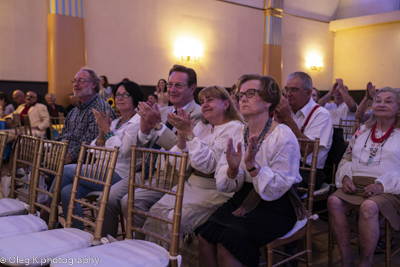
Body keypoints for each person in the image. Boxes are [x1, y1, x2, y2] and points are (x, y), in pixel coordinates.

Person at [196, 74, 302, 267]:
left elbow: (279, 187)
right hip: (243, 198)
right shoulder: (237, 131)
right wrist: (233, 169)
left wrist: (253, 167)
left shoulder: (283, 135)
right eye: (240, 95)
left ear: (269, 100)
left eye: (250, 93)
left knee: (228, 243)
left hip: (277, 205)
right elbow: (225, 182)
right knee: (205, 235)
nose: (242, 98)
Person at [142, 85, 244, 266]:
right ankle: (157, 262)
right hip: (190, 185)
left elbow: (209, 165)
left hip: (215, 190)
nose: (204, 104)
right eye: (202, 101)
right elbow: (180, 164)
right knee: (156, 212)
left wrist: (189, 134)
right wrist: (182, 134)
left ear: (226, 104)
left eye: (210, 100)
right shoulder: (202, 127)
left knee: (176, 220)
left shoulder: (234, 128)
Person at [101, 64, 202, 238]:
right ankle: (105, 243)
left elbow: (184, 152)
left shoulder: (198, 115)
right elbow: (140, 146)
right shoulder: (162, 111)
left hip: (171, 176)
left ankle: (143, 250)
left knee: (129, 202)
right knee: (108, 197)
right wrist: (144, 131)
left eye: (178, 85)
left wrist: (157, 125)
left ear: (192, 88)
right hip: (146, 170)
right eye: (170, 84)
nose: (172, 89)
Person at [48, 81, 144, 229]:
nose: (119, 98)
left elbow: (123, 152)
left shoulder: (137, 121)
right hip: (101, 170)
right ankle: (77, 233)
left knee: (66, 171)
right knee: (68, 191)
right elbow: (94, 149)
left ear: (135, 98)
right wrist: (101, 132)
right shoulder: (115, 122)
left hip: (120, 174)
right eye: (117, 94)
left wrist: (106, 129)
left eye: (125, 94)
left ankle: (46, 210)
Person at [328, 87, 400, 267]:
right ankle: (346, 260)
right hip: (355, 184)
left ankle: (364, 264)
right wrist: (345, 177)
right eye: (377, 100)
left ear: (399, 108)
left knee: (369, 207)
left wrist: (383, 185)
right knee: (333, 201)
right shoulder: (362, 131)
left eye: (389, 101)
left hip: (390, 188)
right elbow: (347, 157)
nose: (381, 104)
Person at [274, 71, 333, 190]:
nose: (288, 94)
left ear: (308, 93)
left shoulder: (321, 114)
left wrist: (287, 119)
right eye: (286, 89)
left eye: (294, 90)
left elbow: (306, 150)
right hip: (281, 165)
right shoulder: (286, 110)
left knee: (275, 189)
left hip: (307, 171)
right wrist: (276, 122)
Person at [55, 67, 117, 165]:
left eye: (81, 81)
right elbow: (63, 135)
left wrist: (67, 157)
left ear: (94, 84)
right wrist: (54, 150)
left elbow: (91, 142)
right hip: (63, 158)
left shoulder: (99, 109)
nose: (75, 85)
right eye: (74, 81)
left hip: (83, 164)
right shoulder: (74, 111)